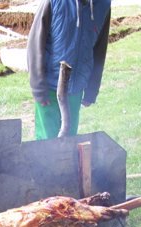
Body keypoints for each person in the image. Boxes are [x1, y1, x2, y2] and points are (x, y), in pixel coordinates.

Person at [27, 0, 111, 140]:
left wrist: (92, 90)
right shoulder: (53, 2)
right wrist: (38, 88)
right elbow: (35, 42)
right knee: (46, 144)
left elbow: (99, 50)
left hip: (76, 89)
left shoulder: (103, 4)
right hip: (49, 88)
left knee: (70, 142)